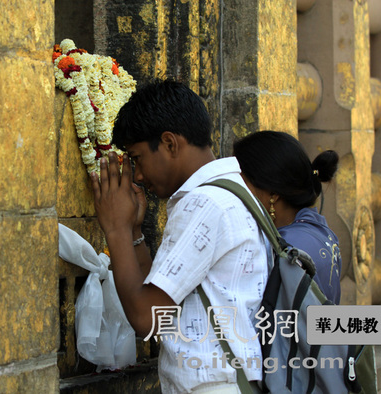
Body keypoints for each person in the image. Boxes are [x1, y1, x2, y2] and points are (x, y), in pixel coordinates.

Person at [90, 79, 269, 393]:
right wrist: (133, 233)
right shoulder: (233, 192)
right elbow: (164, 304)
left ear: (170, 144)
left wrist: (115, 228)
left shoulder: (203, 203)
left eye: (137, 158)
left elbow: (149, 319)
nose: (139, 175)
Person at [233, 130, 342, 304]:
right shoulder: (319, 229)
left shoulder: (285, 251)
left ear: (273, 194)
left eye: (241, 185)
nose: (237, 195)